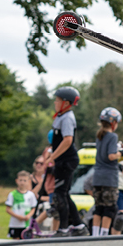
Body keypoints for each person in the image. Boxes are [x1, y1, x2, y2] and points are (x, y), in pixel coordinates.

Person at [46, 86, 88, 237]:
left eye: (57, 100)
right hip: (61, 160)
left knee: (59, 194)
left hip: (67, 161)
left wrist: (52, 157)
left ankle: (63, 228)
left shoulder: (68, 118)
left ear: (66, 103)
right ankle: (78, 225)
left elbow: (68, 140)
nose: (55, 103)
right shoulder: (60, 116)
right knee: (64, 194)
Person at [91, 107, 121, 236]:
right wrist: (121, 153)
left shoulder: (99, 136)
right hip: (109, 178)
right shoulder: (112, 136)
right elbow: (111, 156)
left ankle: (95, 234)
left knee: (99, 208)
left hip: (97, 177)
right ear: (113, 123)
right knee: (109, 209)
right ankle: (104, 236)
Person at [5, 170, 37, 239]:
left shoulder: (31, 195)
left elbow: (33, 208)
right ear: (17, 181)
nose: (22, 182)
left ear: (28, 181)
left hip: (27, 224)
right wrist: (18, 217)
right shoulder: (12, 194)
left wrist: (28, 216)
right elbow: (8, 209)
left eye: (24, 180)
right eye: (20, 180)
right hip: (15, 224)